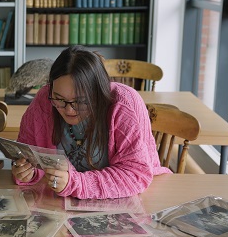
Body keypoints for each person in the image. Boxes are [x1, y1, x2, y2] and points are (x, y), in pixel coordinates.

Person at [11, 45, 171, 199]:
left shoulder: (123, 103)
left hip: (128, 199)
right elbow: (29, 153)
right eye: (59, 99)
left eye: (80, 101)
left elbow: (135, 175)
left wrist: (75, 183)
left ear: (98, 92)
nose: (69, 110)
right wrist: (28, 172)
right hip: (61, 204)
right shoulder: (44, 99)